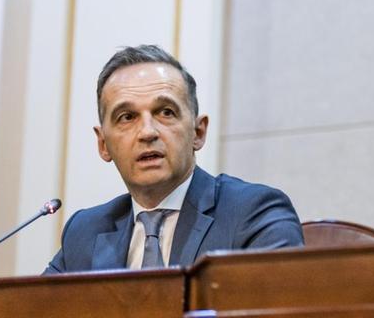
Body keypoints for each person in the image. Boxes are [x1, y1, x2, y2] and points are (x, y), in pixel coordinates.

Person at [44, 45, 303, 273]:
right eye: (126, 117)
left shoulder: (254, 214)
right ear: (103, 145)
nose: (147, 132)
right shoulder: (84, 232)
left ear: (198, 132)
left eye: (165, 112)